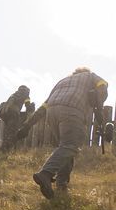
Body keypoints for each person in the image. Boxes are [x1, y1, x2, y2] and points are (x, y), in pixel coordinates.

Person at [25, 68, 108, 199]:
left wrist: (26, 126)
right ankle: (46, 174)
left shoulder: (62, 81)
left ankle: (61, 185)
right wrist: (99, 106)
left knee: (65, 149)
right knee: (70, 145)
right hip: (72, 109)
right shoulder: (90, 76)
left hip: (52, 112)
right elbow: (103, 84)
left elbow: (44, 106)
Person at [0, 85, 31, 151]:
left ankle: (3, 148)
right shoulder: (26, 95)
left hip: (6, 114)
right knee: (12, 132)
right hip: (14, 114)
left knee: (7, 131)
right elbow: (28, 107)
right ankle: (6, 149)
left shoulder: (14, 94)